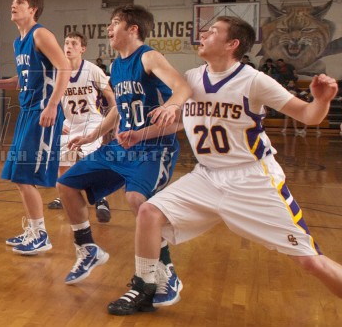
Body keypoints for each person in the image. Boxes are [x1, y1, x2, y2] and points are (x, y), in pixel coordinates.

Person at [107, 16, 342, 316]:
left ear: (232, 44)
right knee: (149, 213)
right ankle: (145, 287)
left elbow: (309, 116)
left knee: (310, 261)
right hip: (206, 176)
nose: (203, 34)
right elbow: (180, 122)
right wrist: (140, 134)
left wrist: (321, 101)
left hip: (251, 179)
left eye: (213, 31)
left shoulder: (254, 80)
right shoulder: (192, 78)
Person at [56, 6, 191, 303]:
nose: (109, 28)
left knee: (137, 200)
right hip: (122, 146)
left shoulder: (149, 57)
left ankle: (166, 271)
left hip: (154, 147)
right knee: (66, 184)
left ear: (133, 29)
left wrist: (172, 106)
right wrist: (92, 135)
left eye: (115, 22)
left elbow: (182, 87)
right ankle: (87, 248)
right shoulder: (117, 65)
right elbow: (119, 108)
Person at [0, 0, 71, 255]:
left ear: (33, 9)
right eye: (12, 2)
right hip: (27, 111)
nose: (13, 5)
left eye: (20, 2)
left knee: (25, 175)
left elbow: (64, 67)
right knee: (18, 176)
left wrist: (53, 105)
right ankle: (33, 229)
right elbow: (22, 79)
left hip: (42, 111)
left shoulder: (41, 34)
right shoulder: (19, 42)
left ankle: (40, 235)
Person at [47, 32, 116, 224]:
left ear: (82, 49)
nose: (68, 46)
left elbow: (111, 97)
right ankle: (64, 195)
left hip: (92, 121)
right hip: (69, 122)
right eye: (66, 43)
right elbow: (52, 102)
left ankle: (101, 199)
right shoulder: (58, 72)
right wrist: (59, 122)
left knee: (90, 161)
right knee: (63, 161)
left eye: (73, 43)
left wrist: (111, 124)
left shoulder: (92, 70)